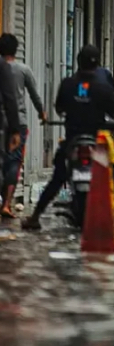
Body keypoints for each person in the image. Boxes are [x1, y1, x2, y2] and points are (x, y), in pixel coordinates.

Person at [22, 46, 114, 232]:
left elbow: (60, 109)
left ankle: (35, 217)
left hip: (73, 140)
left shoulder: (68, 84)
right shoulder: (103, 87)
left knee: (57, 178)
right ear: (97, 64)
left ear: (78, 62)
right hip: (99, 142)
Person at [0, 34, 45, 218]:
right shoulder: (23, 70)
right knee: (15, 161)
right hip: (18, 123)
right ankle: (7, 204)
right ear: (16, 50)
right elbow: (34, 94)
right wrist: (42, 112)